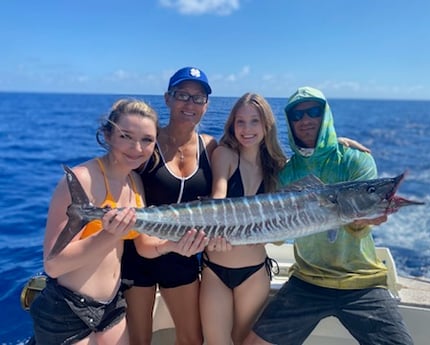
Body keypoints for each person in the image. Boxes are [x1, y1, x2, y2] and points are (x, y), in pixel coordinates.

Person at [243, 86, 414, 345]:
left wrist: (363, 222)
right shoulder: (285, 173)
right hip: (307, 280)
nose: (306, 120)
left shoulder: (356, 159)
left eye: (313, 112)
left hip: (361, 281)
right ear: (289, 123)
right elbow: (278, 238)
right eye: (297, 116)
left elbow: (362, 222)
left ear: (326, 116)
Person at [29, 99, 208, 345]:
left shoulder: (134, 182)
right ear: (108, 135)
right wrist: (110, 234)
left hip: (111, 309)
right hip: (68, 309)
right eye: (126, 136)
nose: (136, 147)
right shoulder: (82, 180)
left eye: (147, 140)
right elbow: (53, 265)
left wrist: (174, 245)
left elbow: (144, 246)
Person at [121, 67, 217, 345]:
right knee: (139, 340)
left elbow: (260, 158)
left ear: (206, 105)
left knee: (192, 339)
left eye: (198, 98)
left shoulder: (211, 147)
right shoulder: (147, 145)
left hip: (182, 254)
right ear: (167, 98)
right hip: (136, 254)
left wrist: (339, 145)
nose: (190, 104)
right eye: (182, 95)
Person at [200, 93, 286, 345]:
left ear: (266, 125)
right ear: (232, 124)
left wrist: (342, 143)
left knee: (243, 340)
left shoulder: (278, 166)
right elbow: (218, 197)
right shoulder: (224, 154)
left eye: (254, 121)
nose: (246, 129)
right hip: (214, 270)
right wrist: (211, 231)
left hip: (254, 272)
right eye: (240, 122)